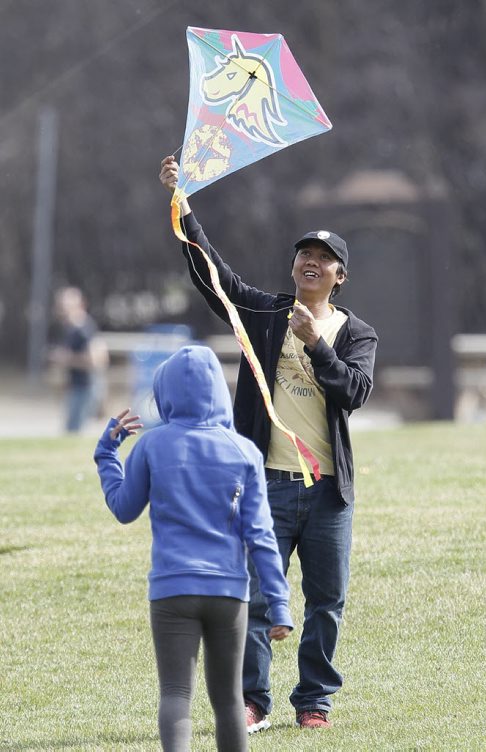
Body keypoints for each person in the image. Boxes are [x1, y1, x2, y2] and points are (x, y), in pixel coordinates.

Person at [159, 155, 378, 732]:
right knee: (255, 599)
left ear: (340, 277)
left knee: (326, 603)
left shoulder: (356, 333)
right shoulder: (266, 313)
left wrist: (317, 345)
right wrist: (183, 205)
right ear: (294, 267)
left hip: (328, 491)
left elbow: (355, 392)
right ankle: (253, 700)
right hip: (265, 485)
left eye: (325, 259)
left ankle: (314, 703)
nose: (312, 262)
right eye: (305, 254)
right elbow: (215, 277)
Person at [93, 345, 293, 752]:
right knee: (227, 701)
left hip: (172, 589)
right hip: (228, 593)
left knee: (175, 695)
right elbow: (261, 535)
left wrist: (106, 455)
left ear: (165, 393)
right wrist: (279, 604)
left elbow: (124, 508)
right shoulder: (244, 450)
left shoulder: (152, 445)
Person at [51, 286, 108, 432]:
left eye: (67, 306)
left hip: (86, 387)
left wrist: (67, 358)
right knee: (70, 430)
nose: (63, 310)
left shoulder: (85, 328)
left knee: (75, 432)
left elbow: (97, 360)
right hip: (76, 386)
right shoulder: (70, 329)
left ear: (80, 305)